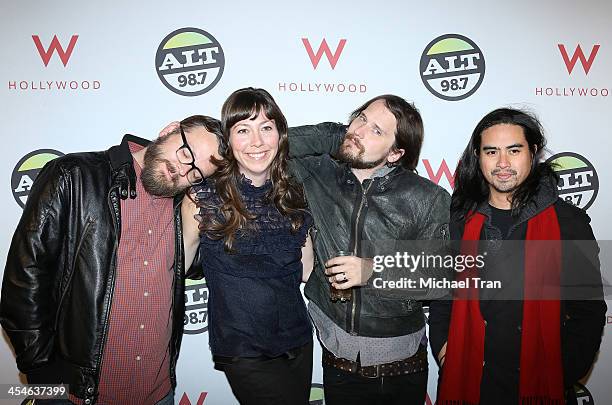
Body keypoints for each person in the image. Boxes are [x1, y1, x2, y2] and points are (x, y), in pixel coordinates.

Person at [0, 115, 223, 405]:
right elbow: (24, 280)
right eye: (186, 152)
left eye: (195, 173)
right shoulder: (75, 175)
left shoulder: (185, 204)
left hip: (158, 393)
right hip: (73, 394)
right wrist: (44, 376)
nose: (181, 170)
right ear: (170, 130)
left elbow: (193, 267)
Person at [429, 108, 607, 405]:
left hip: (540, 383)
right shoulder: (458, 219)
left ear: (533, 152)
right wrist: (445, 350)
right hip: (469, 380)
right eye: (491, 152)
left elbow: (587, 313)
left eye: (514, 150)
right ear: (478, 155)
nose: (502, 163)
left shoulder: (568, 223)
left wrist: (559, 373)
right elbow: (444, 293)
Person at [287, 94, 451, 405]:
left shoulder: (427, 198)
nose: (360, 130)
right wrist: (342, 135)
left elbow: (439, 277)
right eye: (361, 118)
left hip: (400, 366)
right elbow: (273, 146)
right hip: (335, 354)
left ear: (395, 153)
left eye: (377, 130)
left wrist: (374, 270)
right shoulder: (318, 174)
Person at [181, 88, 315, 405]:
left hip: (297, 339)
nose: (256, 142)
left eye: (266, 128)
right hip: (244, 349)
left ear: (280, 135)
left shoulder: (295, 195)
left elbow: (307, 271)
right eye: (243, 130)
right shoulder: (202, 198)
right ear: (228, 140)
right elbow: (178, 266)